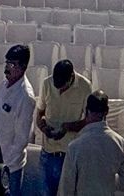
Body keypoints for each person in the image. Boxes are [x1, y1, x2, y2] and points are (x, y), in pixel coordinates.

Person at [34, 59, 92, 196]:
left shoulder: (85, 86)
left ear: (71, 77)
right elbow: (40, 112)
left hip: (69, 154)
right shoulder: (47, 83)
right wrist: (43, 127)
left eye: (62, 86)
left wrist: (68, 127)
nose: (59, 89)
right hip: (47, 151)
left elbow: (89, 120)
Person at [58, 90, 124, 196]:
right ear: (106, 111)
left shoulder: (75, 146)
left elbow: (66, 187)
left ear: (86, 111)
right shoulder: (119, 143)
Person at [0, 45, 36, 196]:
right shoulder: (3, 84)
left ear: (23, 67)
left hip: (10, 167)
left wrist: (4, 164)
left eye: (12, 65)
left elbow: (21, 139)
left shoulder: (25, 96)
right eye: (6, 63)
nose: (6, 69)